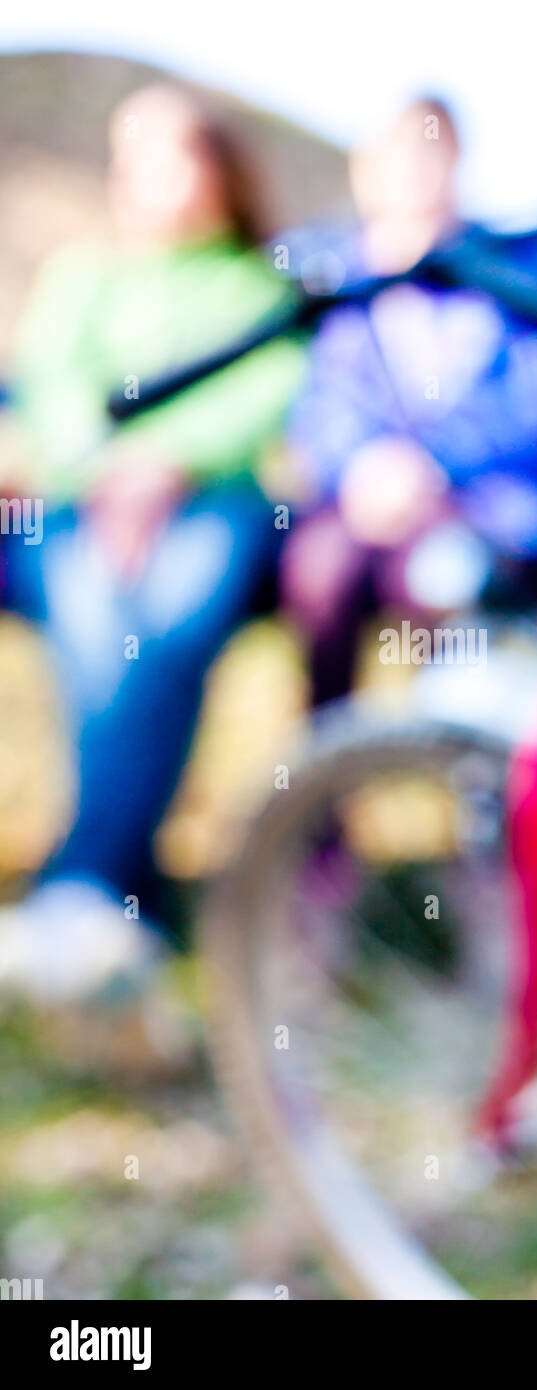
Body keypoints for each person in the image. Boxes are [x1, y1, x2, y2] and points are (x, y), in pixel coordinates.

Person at [0, 85, 305, 1003]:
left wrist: (165, 465)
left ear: (218, 169)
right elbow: (48, 389)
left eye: (168, 153)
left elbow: (265, 391)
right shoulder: (85, 275)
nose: (144, 176)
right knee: (98, 615)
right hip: (80, 507)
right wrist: (106, 473)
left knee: (166, 617)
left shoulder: (259, 285)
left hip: (214, 506)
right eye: (130, 155)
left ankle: (85, 884)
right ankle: (109, 888)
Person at [283, 98, 537, 705]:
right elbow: (317, 402)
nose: (413, 175)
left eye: (430, 157)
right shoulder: (335, 282)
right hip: (361, 508)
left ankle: (462, 768)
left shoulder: (510, 271)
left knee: (444, 579)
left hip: (484, 507)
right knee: (320, 575)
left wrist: (430, 467)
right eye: (396, 159)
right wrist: (362, 467)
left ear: (457, 164)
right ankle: (325, 773)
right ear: (364, 172)